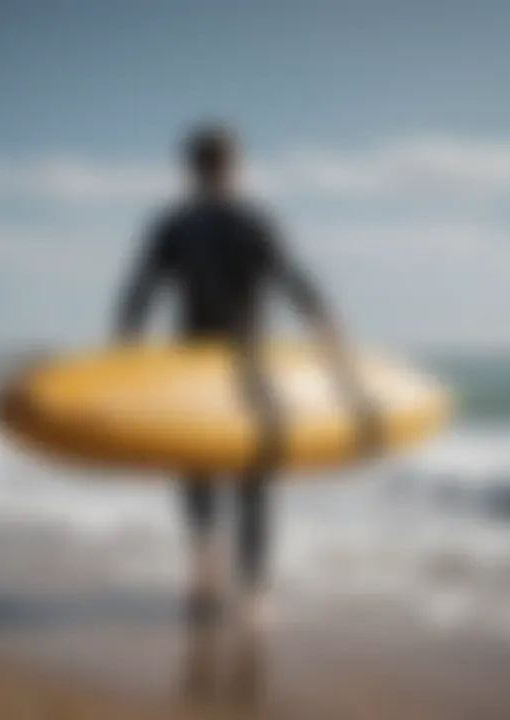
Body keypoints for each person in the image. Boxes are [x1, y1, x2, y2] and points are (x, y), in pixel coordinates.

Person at [114, 124, 368, 631]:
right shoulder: (253, 221)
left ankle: (204, 565)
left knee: (198, 464)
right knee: (255, 476)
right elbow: (292, 278)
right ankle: (252, 592)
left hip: (191, 363)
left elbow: (140, 291)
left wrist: (126, 349)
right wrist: (330, 330)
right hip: (248, 362)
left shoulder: (173, 225)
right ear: (236, 166)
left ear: (190, 170)